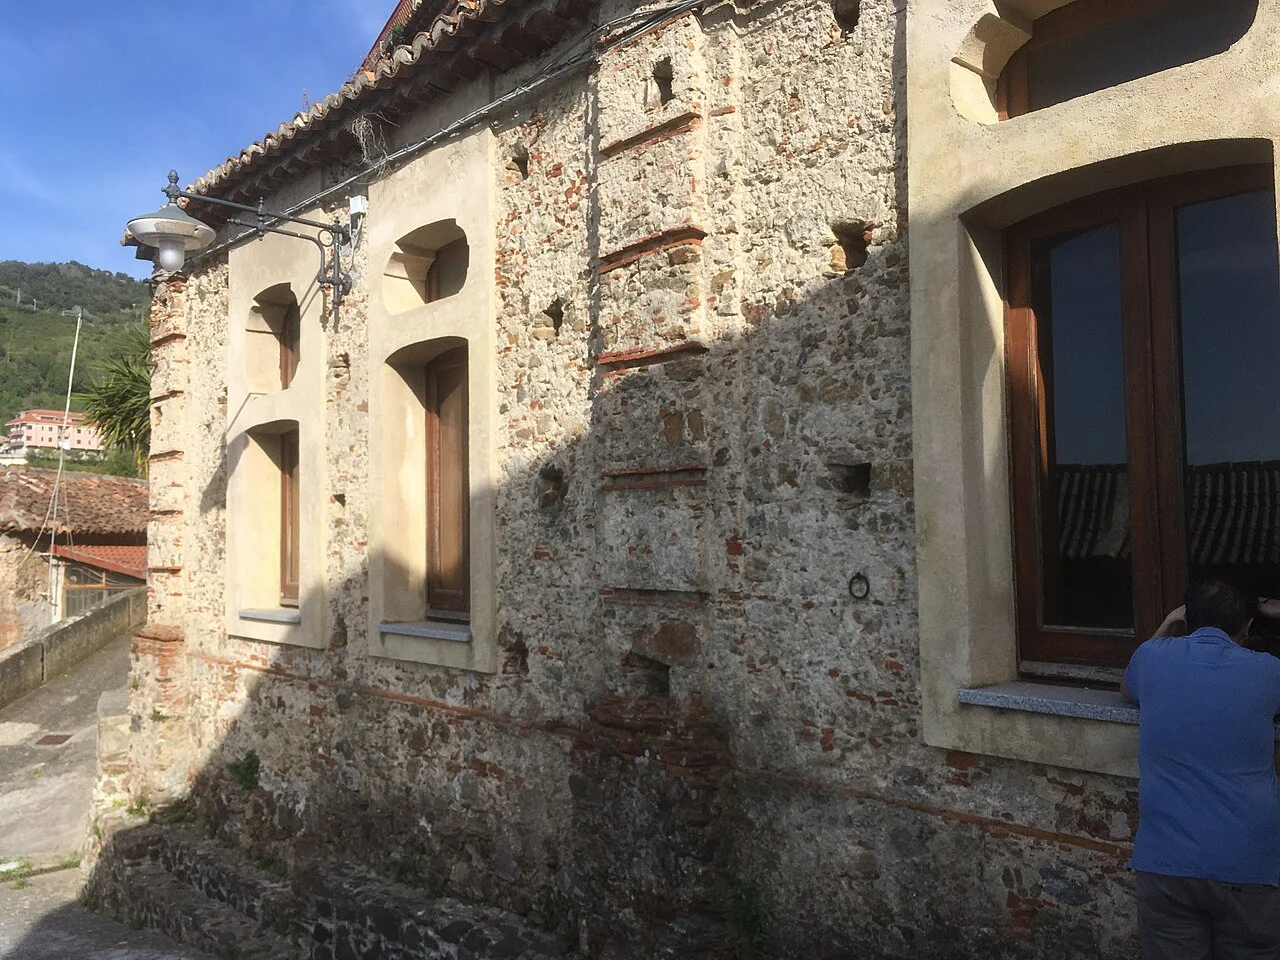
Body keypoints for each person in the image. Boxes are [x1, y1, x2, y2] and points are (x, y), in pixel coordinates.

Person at [1123, 578, 1280, 959]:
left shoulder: (1152, 658)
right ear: (1247, 627)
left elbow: (1128, 685)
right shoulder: (1267, 671)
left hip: (1166, 864)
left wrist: (1170, 622)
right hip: (1248, 866)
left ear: (1187, 620)